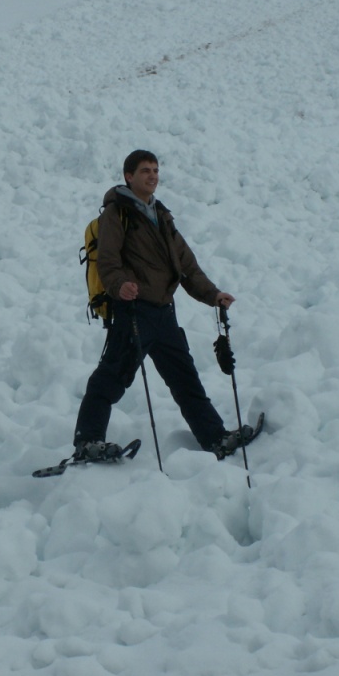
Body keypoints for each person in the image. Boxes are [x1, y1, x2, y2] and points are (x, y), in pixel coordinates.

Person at [73, 150, 246, 460]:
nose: (152, 175)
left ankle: (214, 437)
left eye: (155, 170)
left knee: (185, 380)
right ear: (128, 176)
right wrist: (119, 286)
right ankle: (87, 441)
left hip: (164, 314)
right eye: (144, 171)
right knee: (111, 378)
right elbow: (109, 263)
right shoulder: (116, 214)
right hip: (133, 312)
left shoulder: (162, 215)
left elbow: (187, 267)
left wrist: (213, 295)